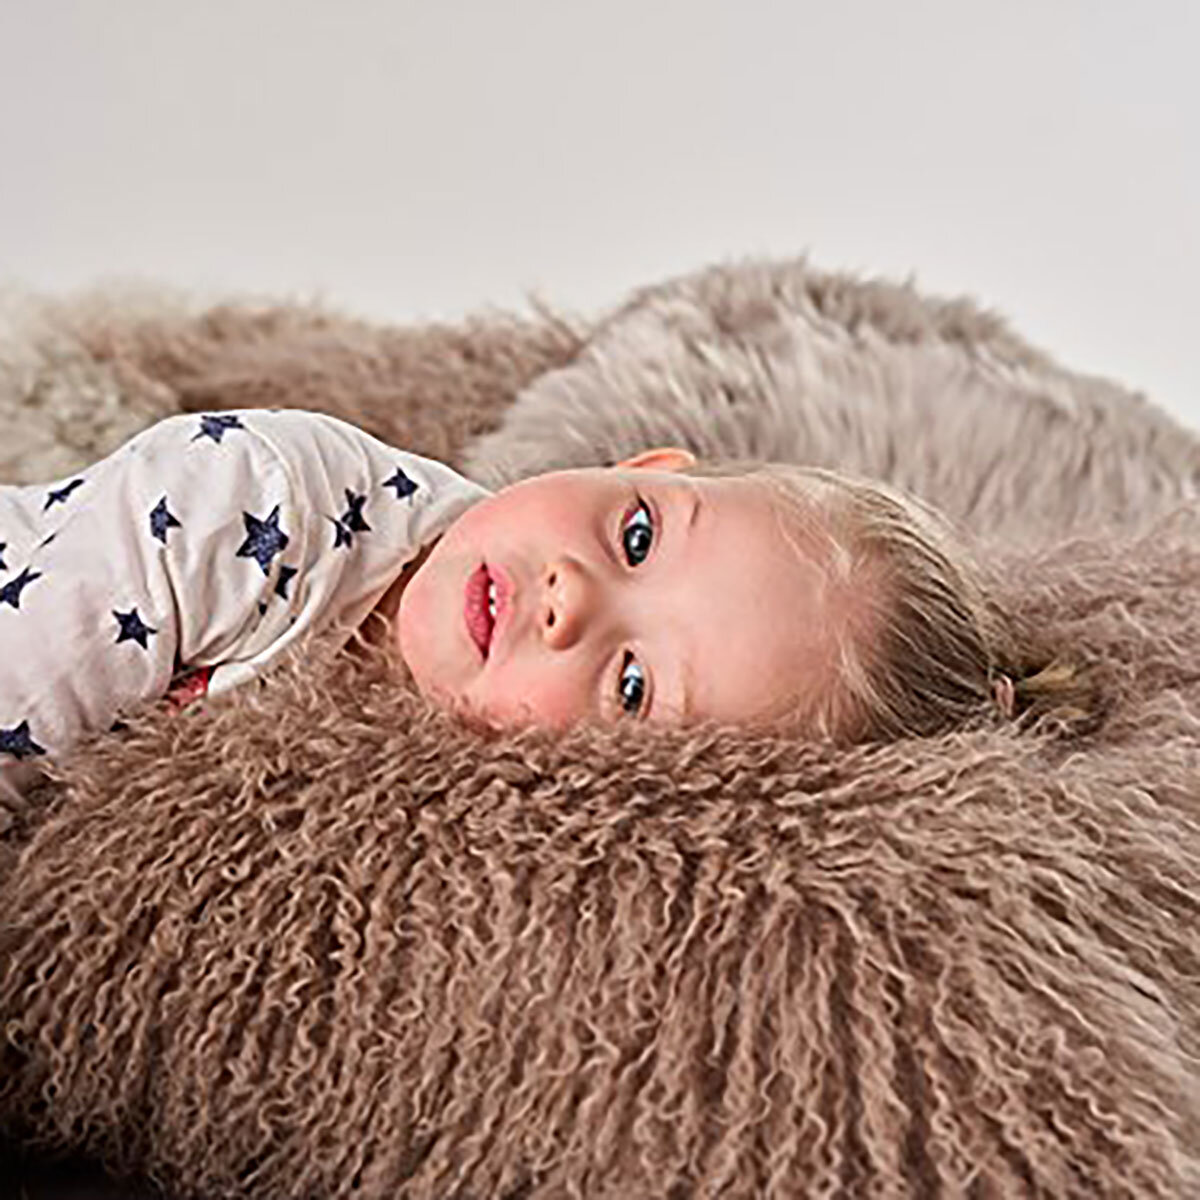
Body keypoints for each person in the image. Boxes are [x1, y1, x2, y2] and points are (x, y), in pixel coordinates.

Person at [0, 407, 1081, 798]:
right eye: (639, 536)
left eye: (632, 682)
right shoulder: (256, 501)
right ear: (647, 461)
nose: (569, 600)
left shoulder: (444, 801)